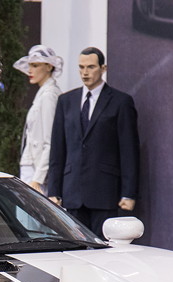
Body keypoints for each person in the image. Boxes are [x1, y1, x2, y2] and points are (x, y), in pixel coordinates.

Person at [46, 46, 140, 238]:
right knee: (75, 248)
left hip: (105, 192)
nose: (85, 73)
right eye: (81, 68)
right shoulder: (66, 101)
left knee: (103, 250)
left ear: (103, 68)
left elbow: (129, 151)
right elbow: (58, 149)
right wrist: (54, 190)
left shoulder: (120, 102)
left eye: (90, 67)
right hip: (72, 192)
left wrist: (129, 193)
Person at [13, 45, 63, 194]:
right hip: (32, 166)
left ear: (49, 67)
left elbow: (50, 141)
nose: (30, 70)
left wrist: (38, 178)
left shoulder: (49, 95)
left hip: (36, 170)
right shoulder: (44, 94)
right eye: (29, 66)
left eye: (35, 65)